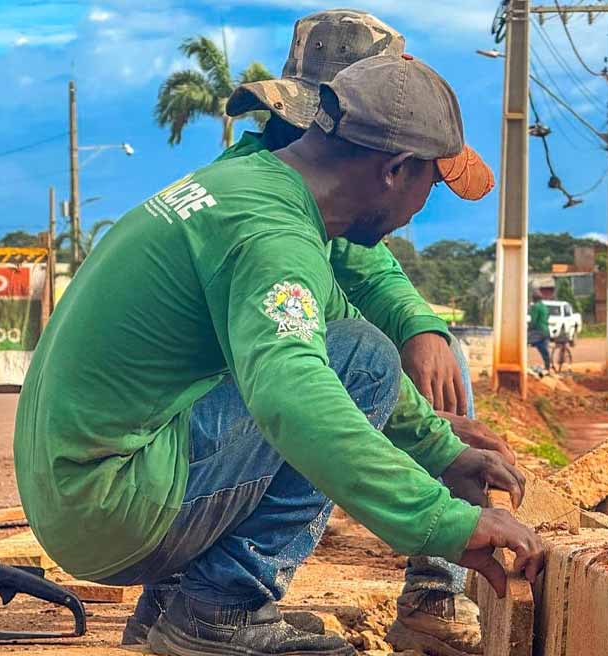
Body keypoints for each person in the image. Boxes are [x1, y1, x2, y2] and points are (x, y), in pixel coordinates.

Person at [14, 53, 544, 656]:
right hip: (113, 502)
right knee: (356, 363)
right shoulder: (273, 235)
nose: (425, 206)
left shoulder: (253, 189)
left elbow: (339, 329)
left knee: (352, 353)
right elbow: (298, 392)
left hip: (82, 489)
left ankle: (174, 606)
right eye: (433, 183)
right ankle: (221, 616)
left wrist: (443, 453)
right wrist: (442, 522)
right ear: (397, 169)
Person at [220, 10, 508, 656]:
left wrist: (419, 327)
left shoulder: (315, 187)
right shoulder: (273, 195)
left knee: (433, 356)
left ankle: (433, 596)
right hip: (192, 433)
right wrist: (442, 513)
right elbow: (300, 389)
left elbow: (368, 270)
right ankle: (219, 599)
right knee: (330, 384)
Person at [528, 290, 552, 371]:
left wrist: (529, 328)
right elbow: (548, 317)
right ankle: (547, 367)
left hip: (539, 331)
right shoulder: (544, 306)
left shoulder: (535, 307)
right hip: (546, 330)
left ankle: (520, 361)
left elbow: (533, 321)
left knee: (526, 340)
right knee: (544, 350)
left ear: (533, 299)